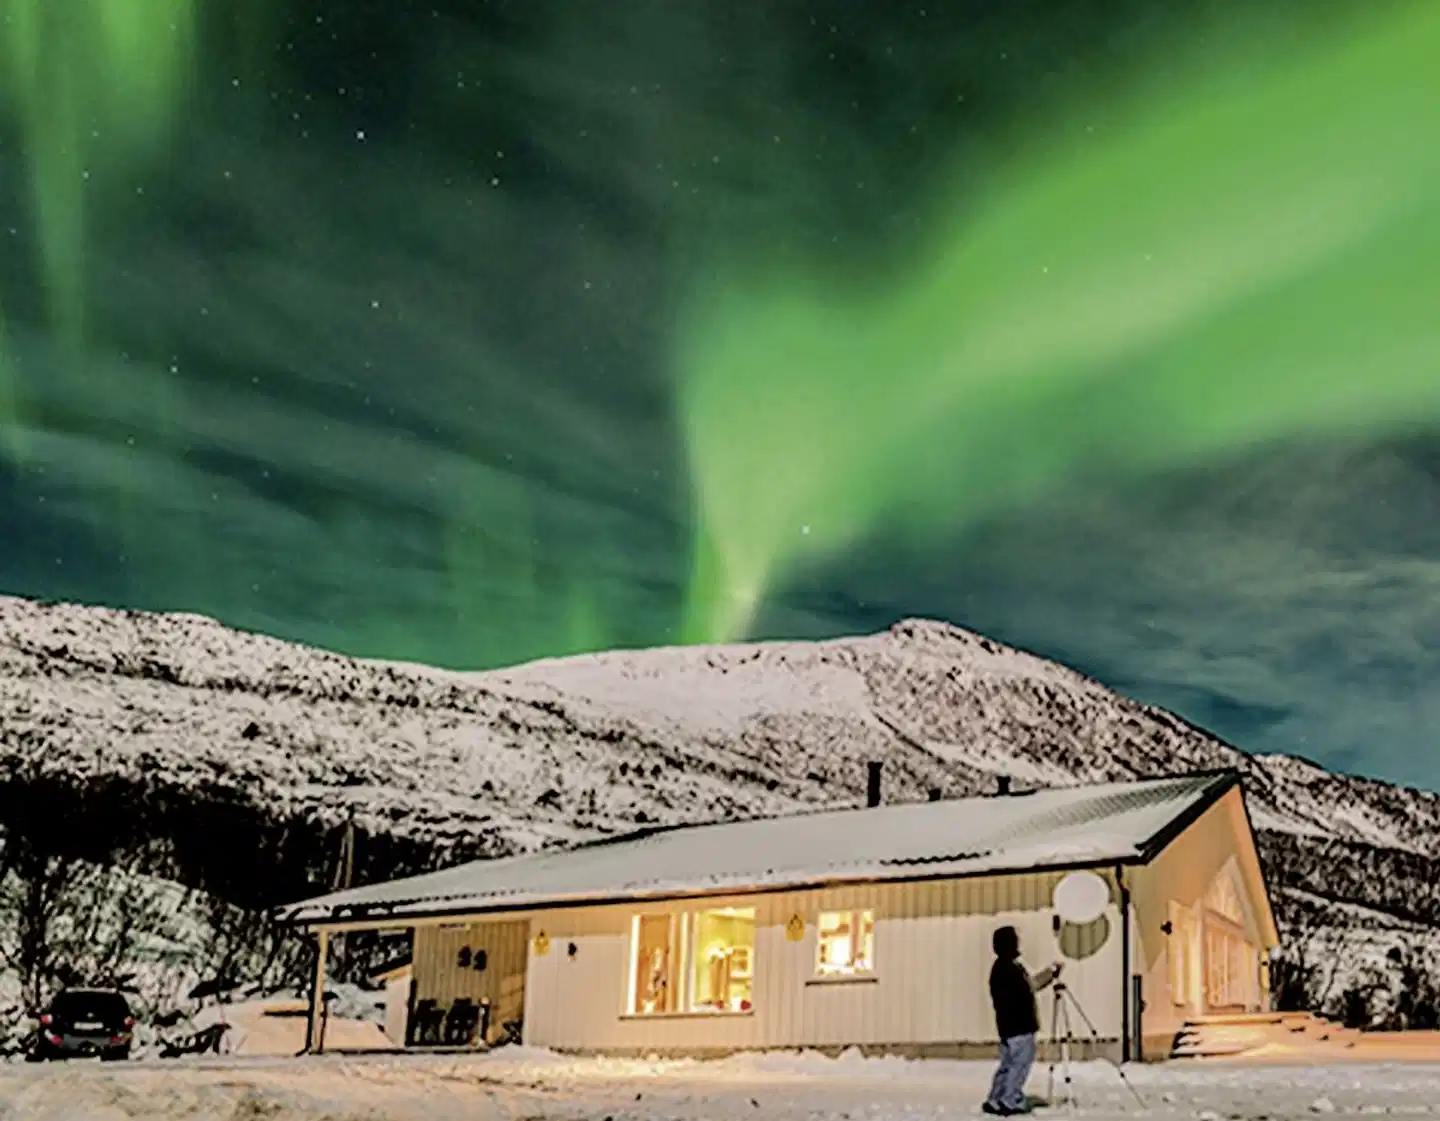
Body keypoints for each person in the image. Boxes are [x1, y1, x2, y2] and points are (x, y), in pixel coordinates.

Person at [983, 925, 1062, 1116]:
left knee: (1008, 1064)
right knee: (1019, 1064)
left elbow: (1029, 986)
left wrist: (1049, 975)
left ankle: (996, 1097)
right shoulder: (1009, 969)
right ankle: (1010, 1099)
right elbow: (1028, 988)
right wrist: (1049, 975)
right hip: (1019, 1026)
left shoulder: (1002, 968)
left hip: (1008, 1027)